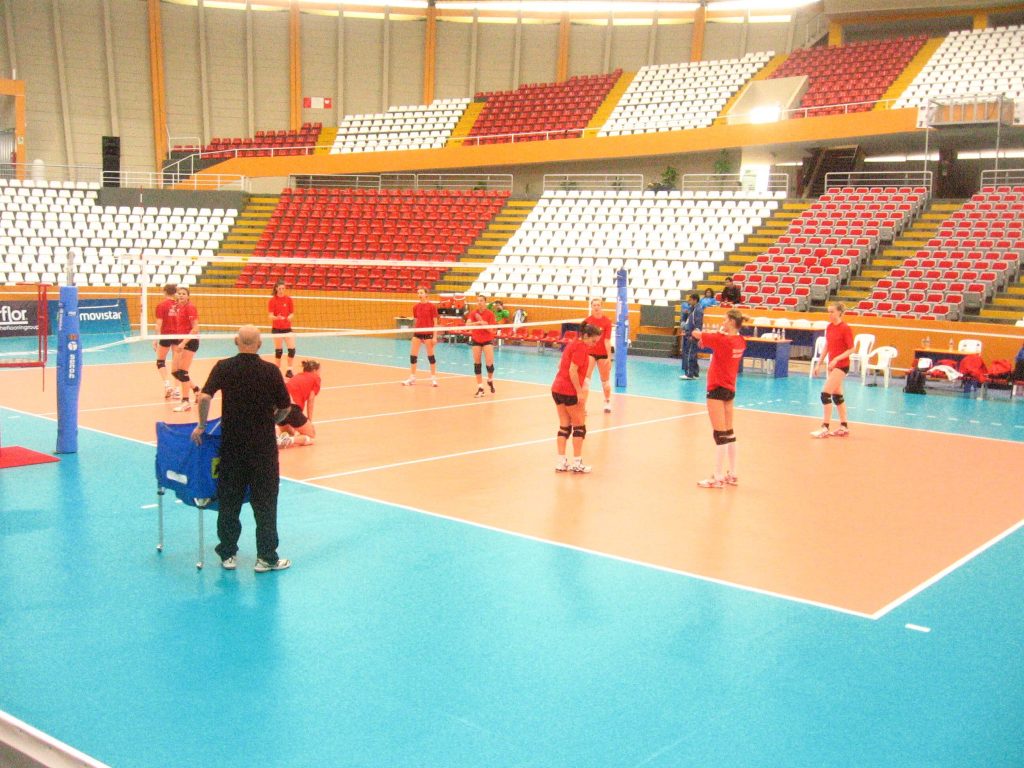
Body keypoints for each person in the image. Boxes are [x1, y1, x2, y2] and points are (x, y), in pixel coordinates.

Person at [191, 325, 293, 572]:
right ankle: (266, 558)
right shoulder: (270, 371)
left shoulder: (224, 367)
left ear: (236, 341)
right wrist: (274, 419)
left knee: (229, 503)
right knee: (265, 504)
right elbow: (285, 407)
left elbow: (204, 397)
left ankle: (228, 555)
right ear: (259, 344)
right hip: (263, 450)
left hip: (232, 448)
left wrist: (202, 425)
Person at [692, 309, 747, 488]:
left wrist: (704, 334)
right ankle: (733, 473)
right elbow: (718, 337)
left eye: (724, 320)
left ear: (731, 321)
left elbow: (696, 334)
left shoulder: (722, 341)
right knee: (729, 432)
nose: (722, 323)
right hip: (730, 389)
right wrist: (719, 333)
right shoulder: (740, 341)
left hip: (716, 388)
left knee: (719, 434)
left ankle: (716, 477)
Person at [552, 323, 603, 474]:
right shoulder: (581, 347)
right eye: (593, 341)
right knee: (579, 426)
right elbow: (572, 370)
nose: (594, 344)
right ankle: (577, 462)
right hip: (569, 391)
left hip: (557, 388)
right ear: (586, 336)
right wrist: (579, 391)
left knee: (564, 426)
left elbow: (560, 364)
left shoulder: (572, 344)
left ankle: (561, 462)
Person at [811, 302, 854, 438]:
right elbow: (828, 346)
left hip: (841, 365)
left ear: (840, 312)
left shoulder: (845, 328)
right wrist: (819, 363)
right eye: (828, 312)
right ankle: (844, 426)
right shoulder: (829, 327)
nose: (829, 314)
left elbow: (852, 349)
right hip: (832, 365)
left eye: (832, 312)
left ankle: (825, 427)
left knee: (825, 394)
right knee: (837, 396)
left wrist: (836, 359)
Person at [166, 286, 200, 412]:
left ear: (188, 296)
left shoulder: (190, 307)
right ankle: (196, 390)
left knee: (183, 372)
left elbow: (195, 328)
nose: (181, 295)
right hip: (181, 341)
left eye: (183, 294)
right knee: (175, 372)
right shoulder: (178, 307)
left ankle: (185, 402)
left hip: (190, 341)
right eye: (179, 293)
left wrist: (183, 343)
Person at [277, 359, 321, 448]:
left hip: (278, 408)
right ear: (315, 371)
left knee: (289, 433)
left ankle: (281, 440)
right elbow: (311, 399)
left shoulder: (297, 376)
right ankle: (289, 440)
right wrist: (309, 420)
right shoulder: (315, 378)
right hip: (291, 408)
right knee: (311, 435)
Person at [583, 297, 614, 413]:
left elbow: (607, 341)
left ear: (602, 307)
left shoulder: (606, 322)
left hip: (602, 354)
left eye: (598, 305)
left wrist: (609, 358)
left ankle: (607, 401)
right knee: (586, 379)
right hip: (590, 353)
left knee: (605, 380)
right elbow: (584, 340)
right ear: (591, 307)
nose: (596, 307)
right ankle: (583, 406)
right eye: (594, 305)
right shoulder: (587, 321)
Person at [403, 287, 439, 387]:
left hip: (428, 333)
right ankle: (412, 377)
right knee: (413, 356)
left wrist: (435, 337)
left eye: (421, 293)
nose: (419, 295)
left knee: (431, 356)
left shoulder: (432, 306)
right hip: (418, 333)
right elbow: (415, 321)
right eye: (418, 293)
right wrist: (414, 333)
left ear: (426, 294)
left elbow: (436, 323)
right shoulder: (415, 307)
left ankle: (433, 378)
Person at [466, 295, 496, 398]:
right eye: (478, 301)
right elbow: (467, 325)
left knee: (489, 365)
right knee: (477, 364)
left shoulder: (490, 314)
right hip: (476, 340)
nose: (479, 302)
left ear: (485, 302)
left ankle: (490, 380)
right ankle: (480, 388)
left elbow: (492, 330)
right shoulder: (473, 313)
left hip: (487, 341)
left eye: (481, 301)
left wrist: (485, 324)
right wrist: (478, 322)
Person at [153, 282, 178, 399]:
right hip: (179, 335)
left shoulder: (161, 305)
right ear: (175, 292)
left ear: (164, 292)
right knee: (177, 363)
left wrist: (155, 339)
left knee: (160, 361)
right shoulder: (180, 305)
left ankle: (168, 386)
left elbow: (159, 324)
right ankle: (177, 390)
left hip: (166, 336)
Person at [268, 280, 296, 378]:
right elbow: (270, 316)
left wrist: (290, 317)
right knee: (279, 351)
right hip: (277, 329)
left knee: (292, 350)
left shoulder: (289, 299)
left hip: (287, 328)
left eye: (283, 288)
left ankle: (289, 370)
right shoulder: (272, 300)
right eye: (279, 289)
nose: (281, 290)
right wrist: (277, 318)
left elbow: (292, 313)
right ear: (276, 289)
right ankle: (277, 372)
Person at [679, 292, 704, 380]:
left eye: (690, 300)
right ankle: (695, 373)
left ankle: (689, 374)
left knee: (690, 354)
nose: (688, 301)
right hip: (690, 333)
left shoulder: (698, 310)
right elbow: (688, 320)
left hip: (693, 334)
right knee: (693, 353)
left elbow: (697, 324)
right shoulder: (692, 309)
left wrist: (693, 335)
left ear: (694, 300)